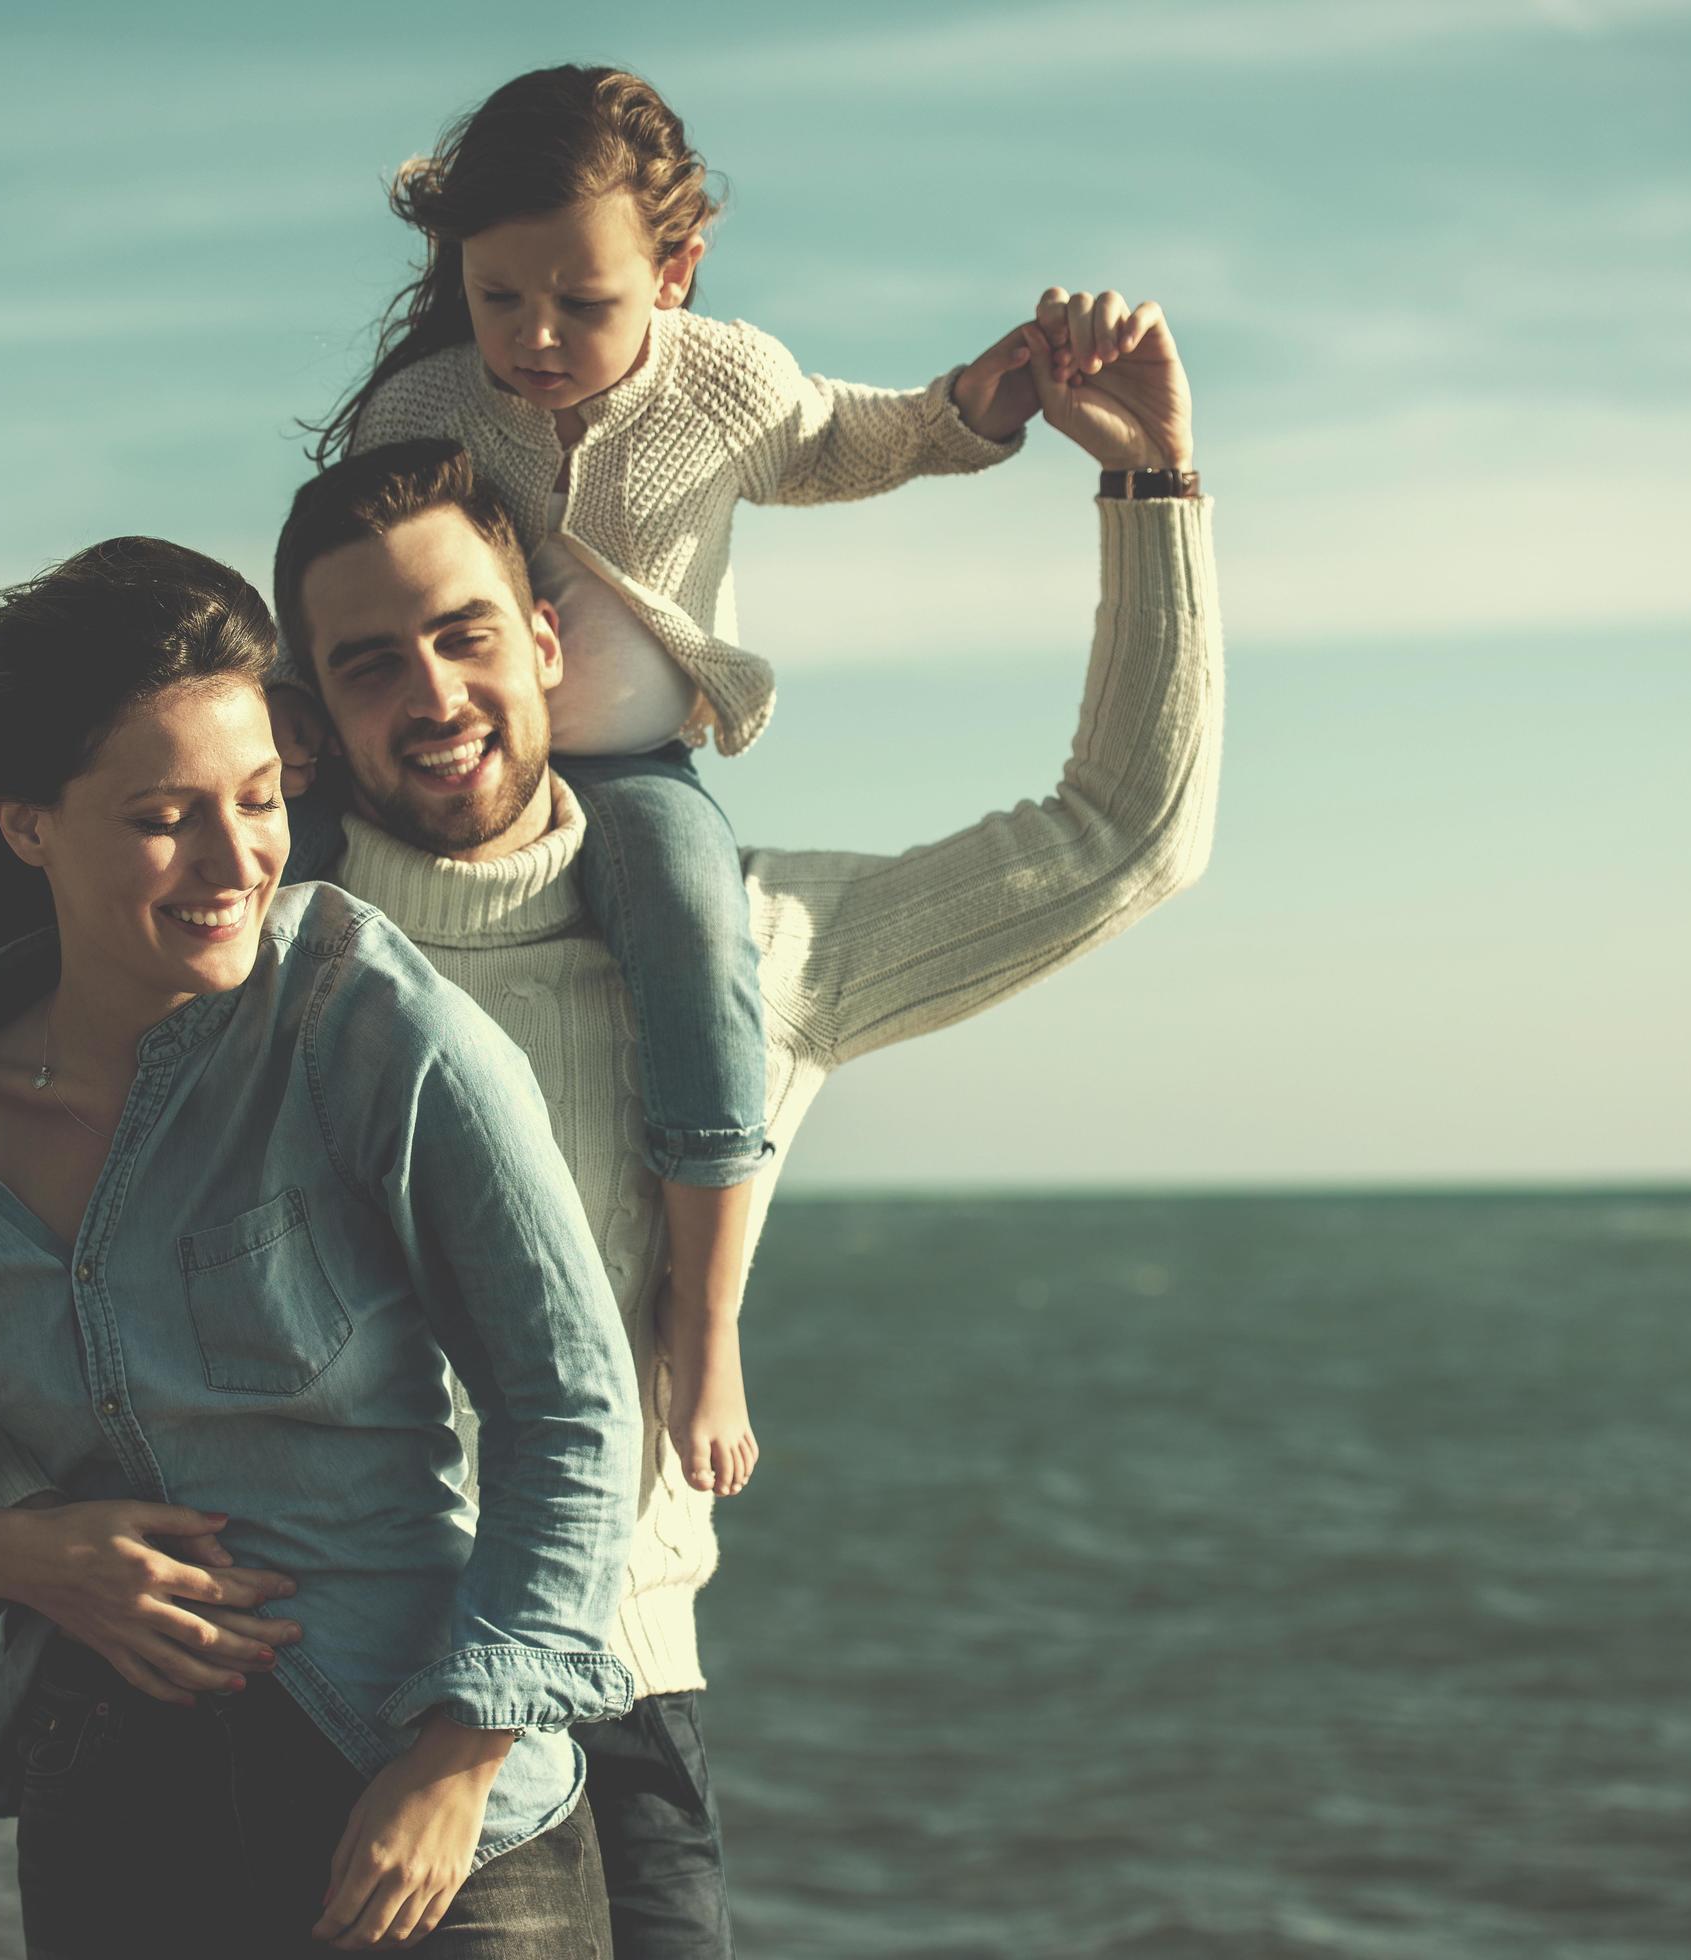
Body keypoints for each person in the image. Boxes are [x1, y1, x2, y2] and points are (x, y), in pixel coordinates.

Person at [212, 282, 1210, 1957]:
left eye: (464, 634)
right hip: (312, 1694)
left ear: (546, 640)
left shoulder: (738, 954)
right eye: (371, 663)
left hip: (621, 1697)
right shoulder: (242, 962)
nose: (434, 694)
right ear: (309, 713)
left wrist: (1154, 490)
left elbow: (1122, 839)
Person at [0, 536, 643, 1955]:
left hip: (423, 1811)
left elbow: (572, 1402)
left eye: (261, 800)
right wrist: (10, 1555)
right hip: (115, 1818)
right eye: (165, 818)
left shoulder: (361, 1023)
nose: (235, 862)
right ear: (28, 821)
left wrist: (460, 1760)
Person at [282, 65, 1060, 1504]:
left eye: (581, 302)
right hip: (439, 767)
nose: (533, 336)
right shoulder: (428, 405)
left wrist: (974, 407)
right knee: (275, 880)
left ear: (675, 270)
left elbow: (850, 438)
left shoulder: (726, 381)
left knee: (700, 940)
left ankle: (700, 1322)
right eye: (497, 295)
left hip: (633, 769)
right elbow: (352, 581)